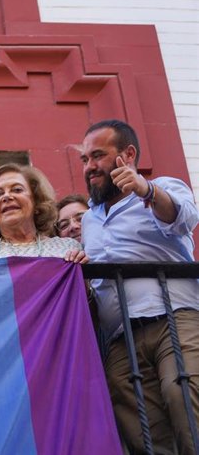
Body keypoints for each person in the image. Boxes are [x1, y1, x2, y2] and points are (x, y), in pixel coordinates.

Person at [79, 119, 199, 455]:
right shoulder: (88, 220)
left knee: (183, 395)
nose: (89, 167)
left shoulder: (162, 186)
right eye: (85, 160)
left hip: (174, 319)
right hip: (120, 339)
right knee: (141, 428)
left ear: (127, 154)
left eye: (97, 156)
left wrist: (145, 190)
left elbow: (185, 217)